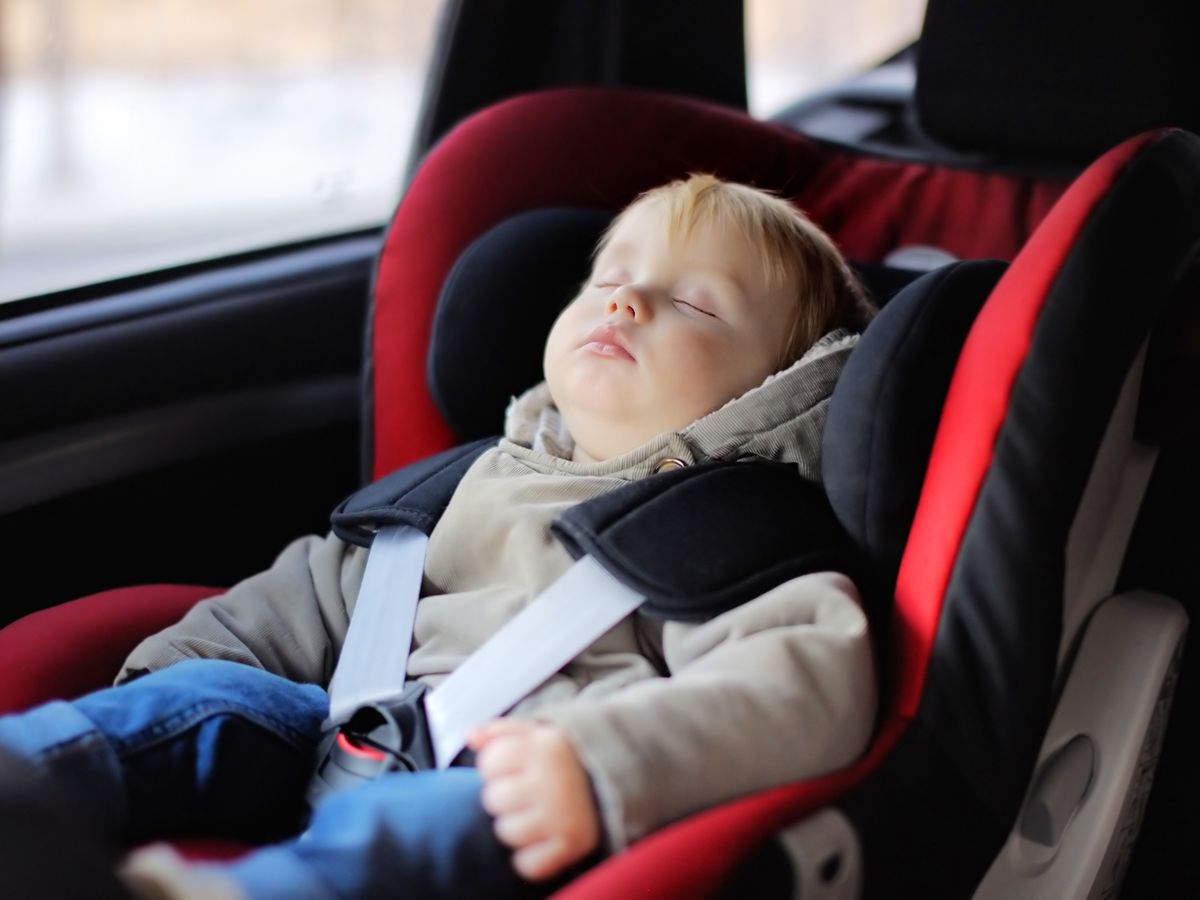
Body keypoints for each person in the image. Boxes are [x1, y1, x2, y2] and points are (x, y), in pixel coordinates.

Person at [0, 174, 878, 900]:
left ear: (784, 388)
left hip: (515, 781)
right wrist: (185, 663)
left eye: (692, 302)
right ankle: (28, 787)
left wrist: (598, 762)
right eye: (607, 275)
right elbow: (314, 591)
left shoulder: (740, 540)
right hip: (345, 727)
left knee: (413, 830)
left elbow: (804, 683)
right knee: (209, 700)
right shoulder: (468, 481)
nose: (624, 298)